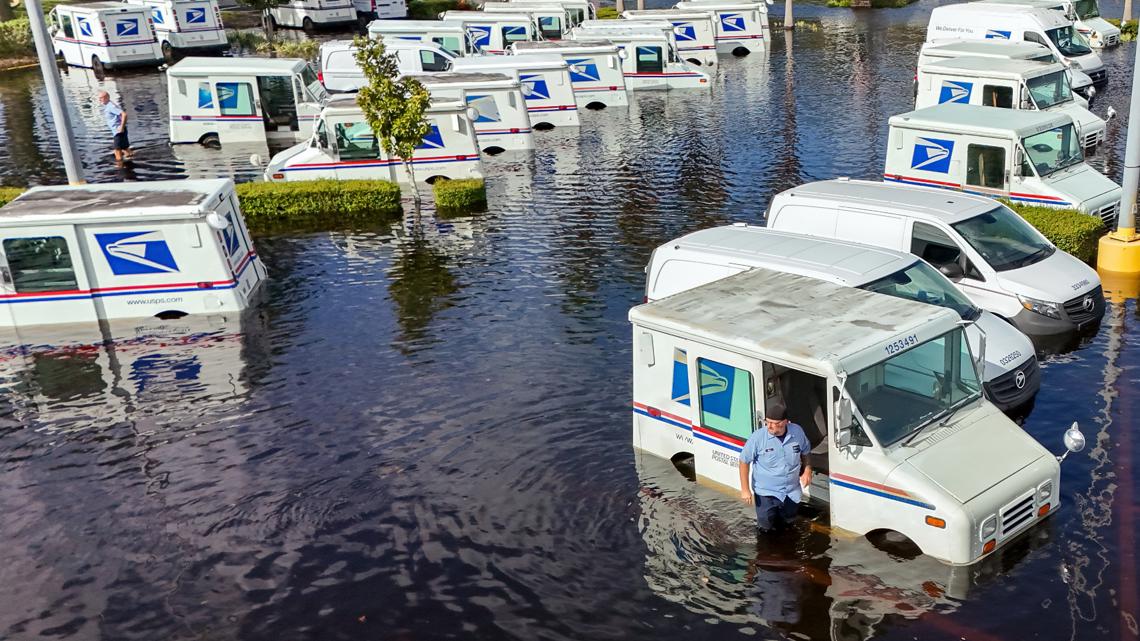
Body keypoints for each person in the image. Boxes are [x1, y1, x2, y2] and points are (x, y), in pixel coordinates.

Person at [738, 401, 812, 533]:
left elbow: (805, 451)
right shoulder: (758, 438)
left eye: (774, 423)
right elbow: (744, 461)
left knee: (789, 526)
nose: (770, 426)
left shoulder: (797, 432)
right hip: (766, 494)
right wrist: (745, 489)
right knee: (766, 529)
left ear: (785, 422)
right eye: (768, 422)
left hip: (791, 492)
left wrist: (807, 470)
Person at [98, 91, 132, 165]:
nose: (99, 100)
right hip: (119, 130)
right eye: (99, 98)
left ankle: (120, 166)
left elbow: (124, 115)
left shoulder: (111, 107)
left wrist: (121, 127)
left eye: (101, 98)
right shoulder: (109, 106)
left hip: (118, 131)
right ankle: (130, 160)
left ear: (107, 97)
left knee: (117, 150)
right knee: (125, 148)